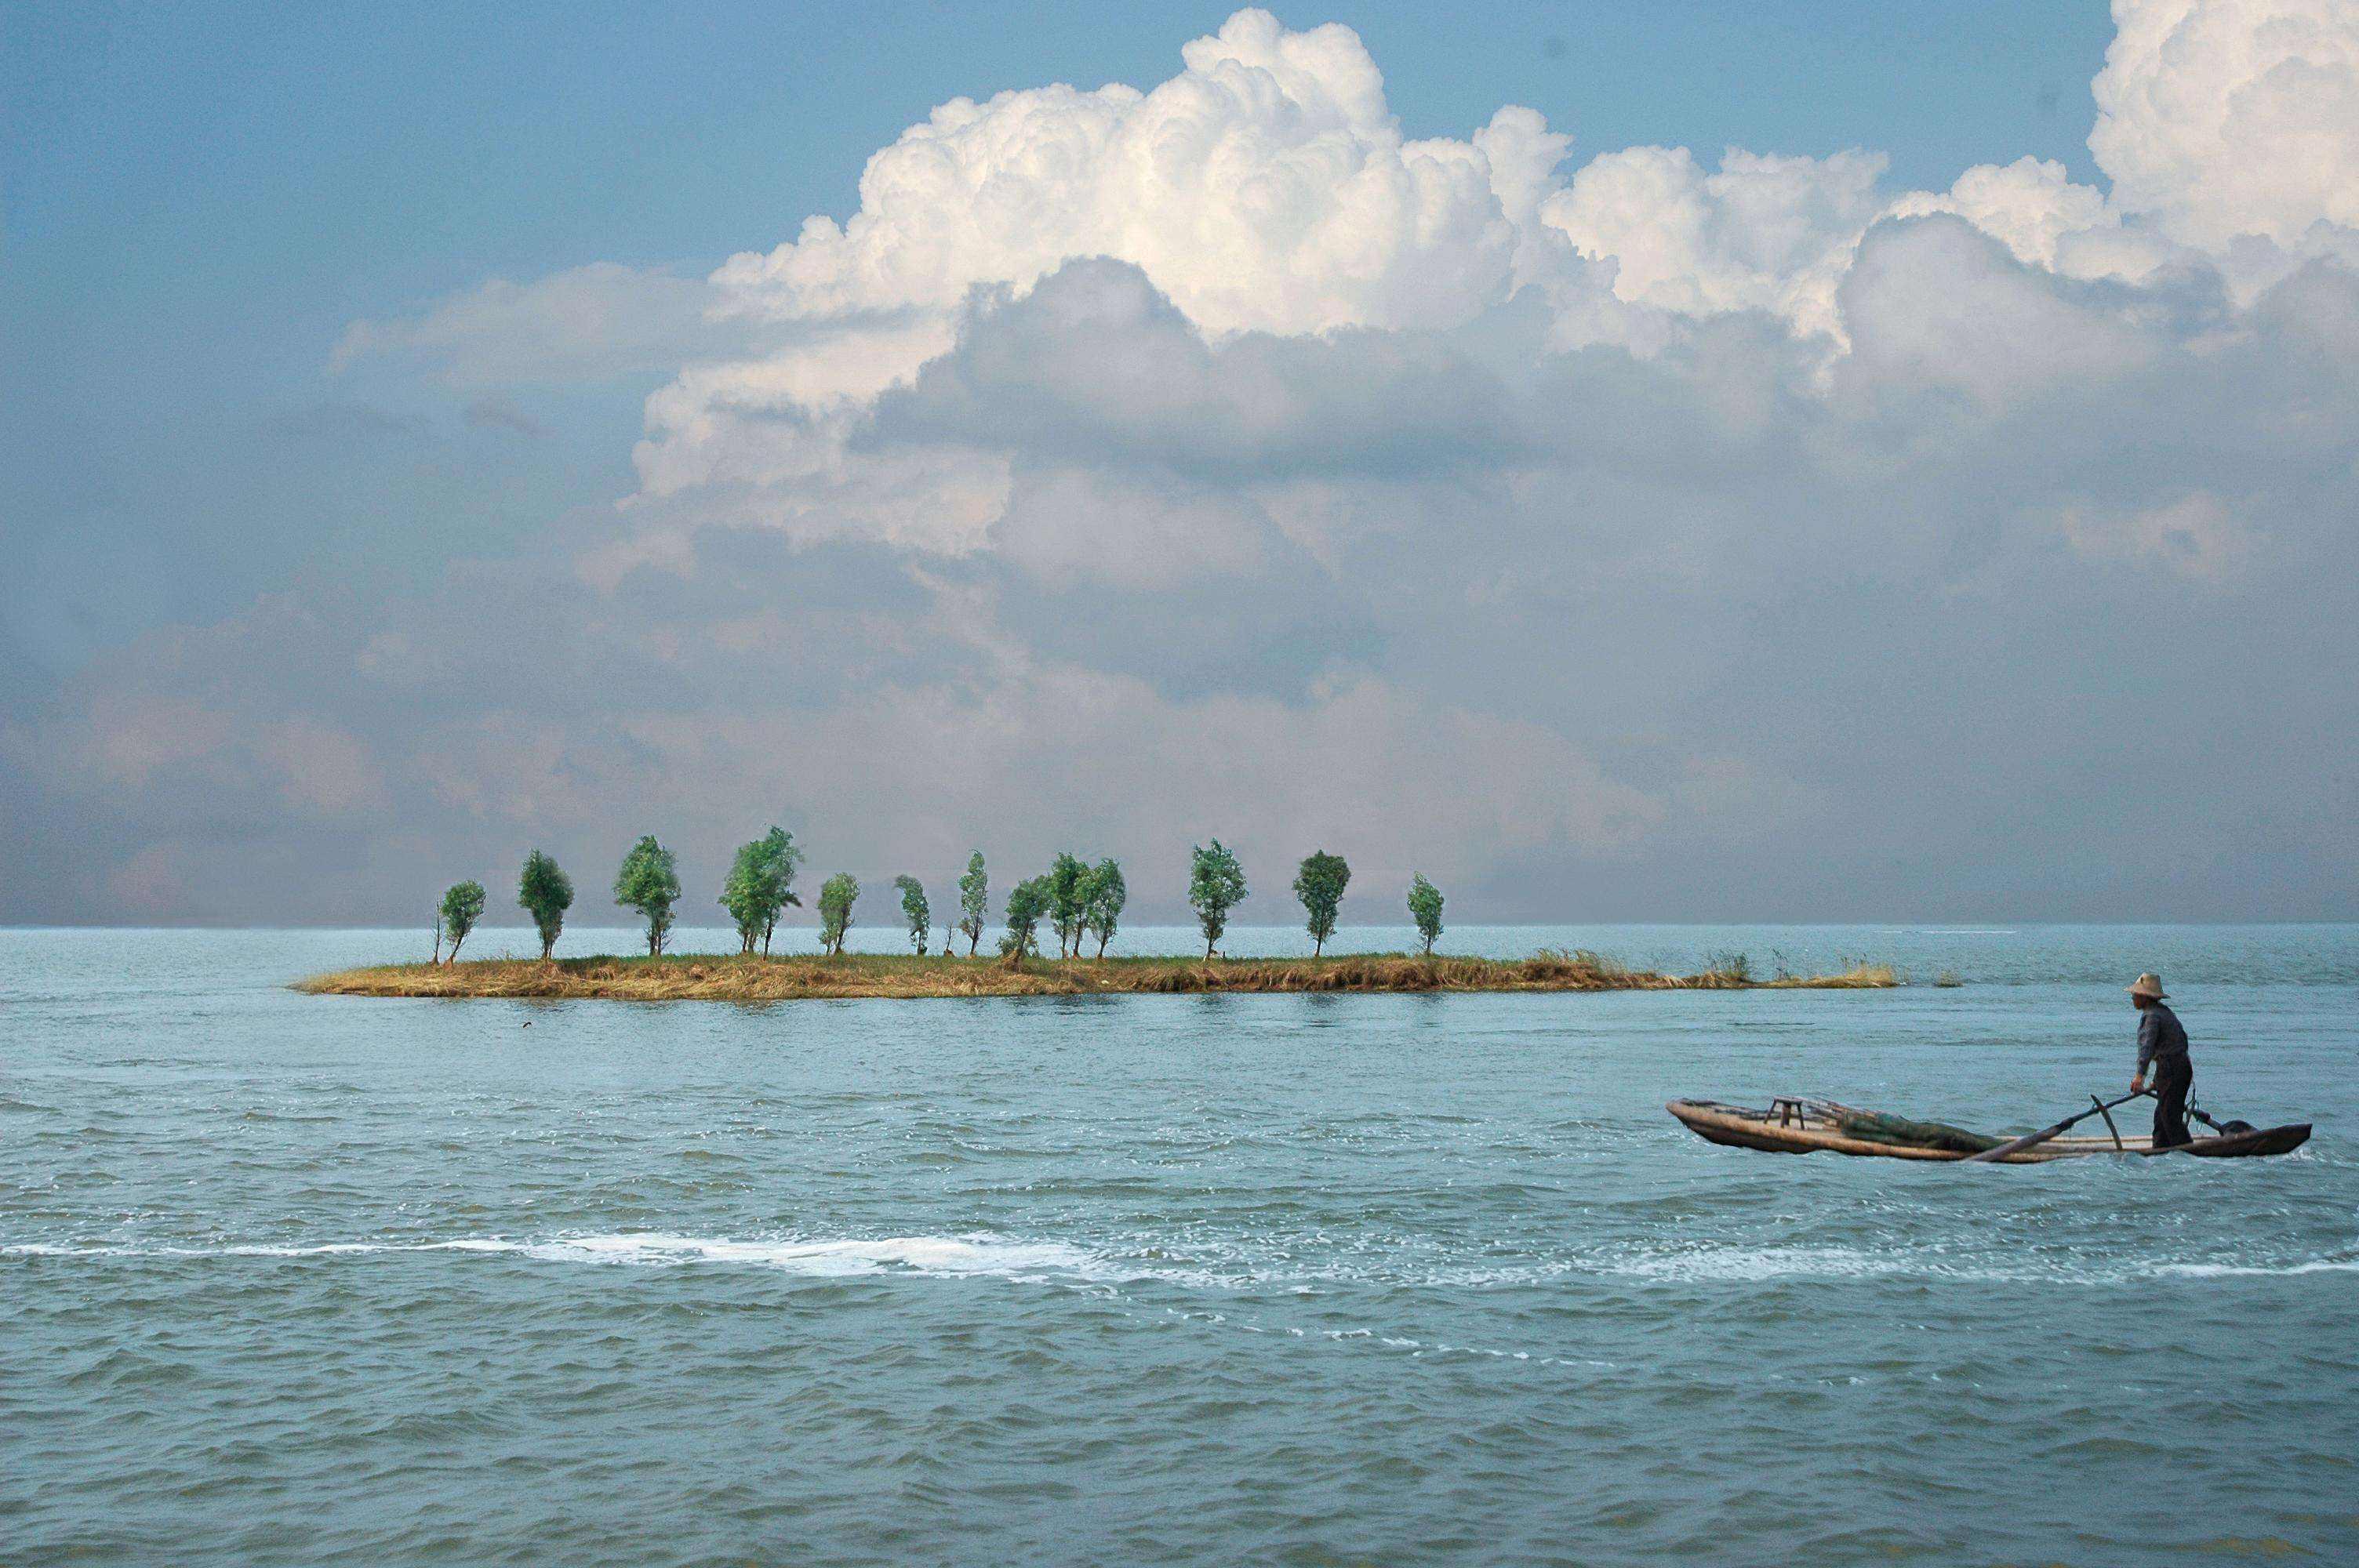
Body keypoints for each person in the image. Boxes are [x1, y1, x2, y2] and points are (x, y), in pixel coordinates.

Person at [2127, 972, 2193, 1148]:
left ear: (2145, 997)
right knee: (2162, 1119)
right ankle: (2160, 1152)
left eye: (2135, 995)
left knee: (2170, 1117)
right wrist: (2159, 1079)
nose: (2133, 998)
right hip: (2176, 1068)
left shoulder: (2152, 1016)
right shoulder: (2163, 1012)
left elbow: (2147, 1048)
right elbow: (2178, 1045)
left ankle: (2191, 1153)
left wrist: (2139, 1076)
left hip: (2172, 1069)